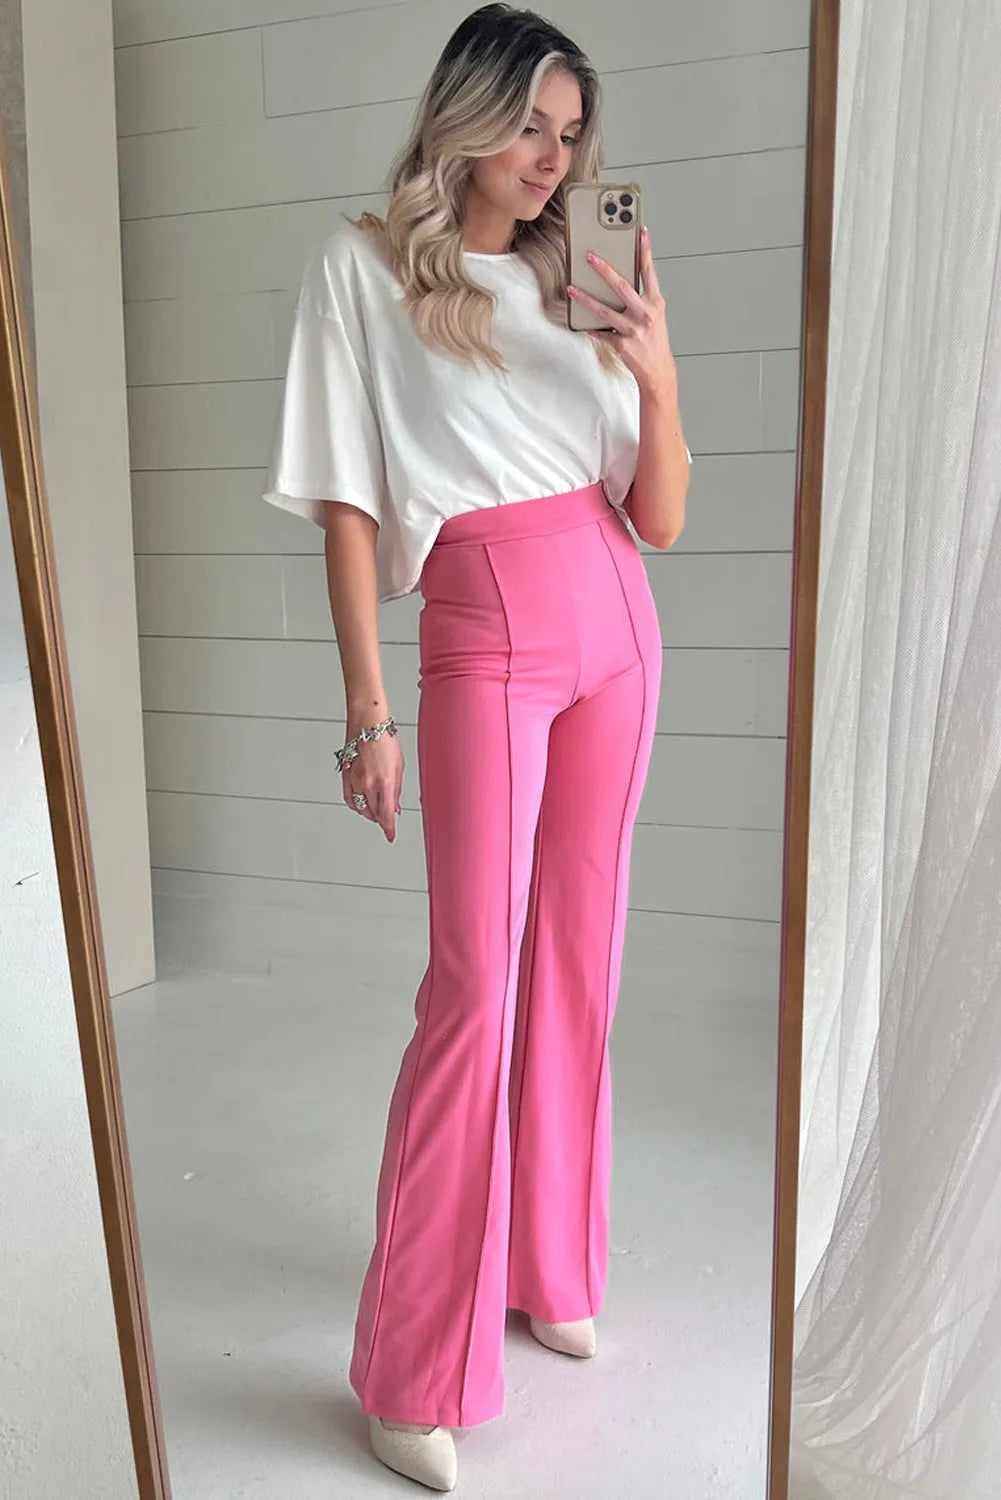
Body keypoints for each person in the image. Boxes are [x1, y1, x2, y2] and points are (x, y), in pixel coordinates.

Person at [263, 3, 690, 1490]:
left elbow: (659, 518)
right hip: (484, 628)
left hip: (614, 618)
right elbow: (345, 503)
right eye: (527, 126)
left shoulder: (577, 279)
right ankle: (412, 1372)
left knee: (580, 961)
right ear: (465, 113)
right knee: (474, 987)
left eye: (570, 137)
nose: (550, 158)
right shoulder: (363, 265)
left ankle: (549, 1265)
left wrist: (656, 369)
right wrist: (366, 711)